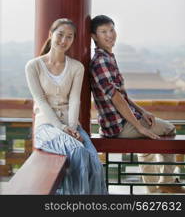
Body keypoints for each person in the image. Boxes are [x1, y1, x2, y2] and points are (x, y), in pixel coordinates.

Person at [90, 14, 185, 194]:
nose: (110, 35)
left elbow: (122, 95)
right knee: (169, 128)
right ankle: (167, 182)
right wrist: (138, 126)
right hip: (118, 126)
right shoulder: (101, 61)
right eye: (103, 32)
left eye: (111, 30)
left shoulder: (108, 57)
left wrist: (142, 112)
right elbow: (117, 99)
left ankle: (153, 191)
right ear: (94, 36)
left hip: (117, 123)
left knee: (148, 146)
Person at [25, 18, 107, 195]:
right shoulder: (33, 66)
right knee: (78, 152)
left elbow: (75, 100)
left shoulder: (76, 67)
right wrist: (62, 128)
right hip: (46, 126)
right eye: (60, 35)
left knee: (94, 161)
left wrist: (71, 127)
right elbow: (41, 101)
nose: (64, 40)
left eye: (69, 37)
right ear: (50, 35)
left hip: (71, 125)